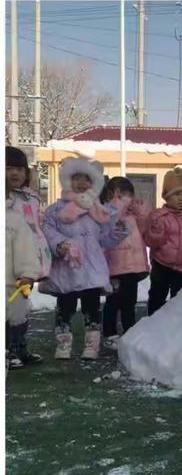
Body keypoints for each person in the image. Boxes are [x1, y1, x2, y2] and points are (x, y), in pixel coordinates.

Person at [40, 157, 129, 360]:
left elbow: (105, 239)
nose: (81, 183)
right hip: (66, 268)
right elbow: (47, 230)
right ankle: (63, 343)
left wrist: (119, 232)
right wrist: (61, 244)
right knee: (65, 307)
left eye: (87, 179)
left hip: (91, 268)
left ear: (94, 182)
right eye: (76, 178)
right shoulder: (56, 209)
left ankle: (92, 345)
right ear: (66, 180)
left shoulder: (98, 211)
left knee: (92, 308)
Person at [100, 177, 151, 350]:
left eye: (129, 194)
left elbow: (146, 224)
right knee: (113, 302)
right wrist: (117, 202)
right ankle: (109, 333)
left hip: (133, 267)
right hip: (114, 266)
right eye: (122, 195)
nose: (127, 199)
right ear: (111, 195)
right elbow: (110, 221)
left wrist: (139, 207)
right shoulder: (105, 212)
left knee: (129, 302)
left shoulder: (133, 216)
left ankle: (130, 332)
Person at [145, 169, 182, 315]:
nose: (180, 198)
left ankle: (175, 326)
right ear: (166, 196)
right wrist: (156, 234)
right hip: (163, 265)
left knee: (180, 299)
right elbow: (151, 242)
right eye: (176, 194)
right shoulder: (159, 216)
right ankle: (153, 322)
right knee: (157, 296)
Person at [6, 179, 42, 370]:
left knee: (17, 317)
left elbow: (25, 247)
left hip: (12, 282)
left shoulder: (14, 219)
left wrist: (27, 273)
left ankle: (16, 350)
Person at [6, 146, 51, 280]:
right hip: (11, 253)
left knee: (22, 295)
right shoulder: (7, 197)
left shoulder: (32, 197)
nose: (15, 173)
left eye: (20, 169)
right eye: (8, 169)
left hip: (33, 253)